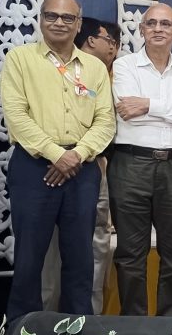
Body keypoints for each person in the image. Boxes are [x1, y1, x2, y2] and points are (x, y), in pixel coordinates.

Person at [0, 0, 116, 320]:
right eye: (51, 16)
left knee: (80, 258)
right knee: (29, 259)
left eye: (67, 17)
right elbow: (17, 116)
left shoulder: (94, 67)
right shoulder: (20, 59)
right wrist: (56, 154)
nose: (59, 23)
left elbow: (105, 120)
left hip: (83, 169)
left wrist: (76, 155)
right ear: (41, 19)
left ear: (79, 24)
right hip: (33, 166)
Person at [109, 3, 172, 316]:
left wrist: (148, 104)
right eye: (151, 23)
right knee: (130, 253)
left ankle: (170, 326)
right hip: (131, 165)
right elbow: (127, 111)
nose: (158, 29)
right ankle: (134, 326)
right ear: (141, 30)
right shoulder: (124, 66)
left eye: (166, 24)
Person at [41, 17, 122, 313]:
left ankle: (90, 321)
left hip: (93, 163)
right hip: (51, 161)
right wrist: (65, 155)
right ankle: (45, 324)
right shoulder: (63, 69)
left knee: (96, 243)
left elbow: (105, 119)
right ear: (88, 39)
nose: (113, 48)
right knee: (50, 248)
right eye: (109, 41)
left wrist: (81, 154)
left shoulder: (112, 73)